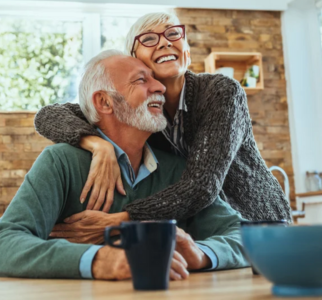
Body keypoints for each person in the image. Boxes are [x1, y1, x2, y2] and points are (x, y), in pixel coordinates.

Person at [0, 50, 249, 280]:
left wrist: (200, 254)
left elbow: (244, 237)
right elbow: (0, 246)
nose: (160, 87)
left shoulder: (178, 170)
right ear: (104, 102)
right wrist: (101, 260)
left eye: (155, 79)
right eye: (141, 80)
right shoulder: (60, 162)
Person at [34, 12, 292, 237]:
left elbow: (201, 186)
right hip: (202, 229)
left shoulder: (221, 92)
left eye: (172, 34)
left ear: (186, 52)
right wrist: (99, 145)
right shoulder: (138, 111)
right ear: (134, 59)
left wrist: (121, 221)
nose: (165, 41)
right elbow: (48, 116)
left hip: (256, 222)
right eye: (148, 38)